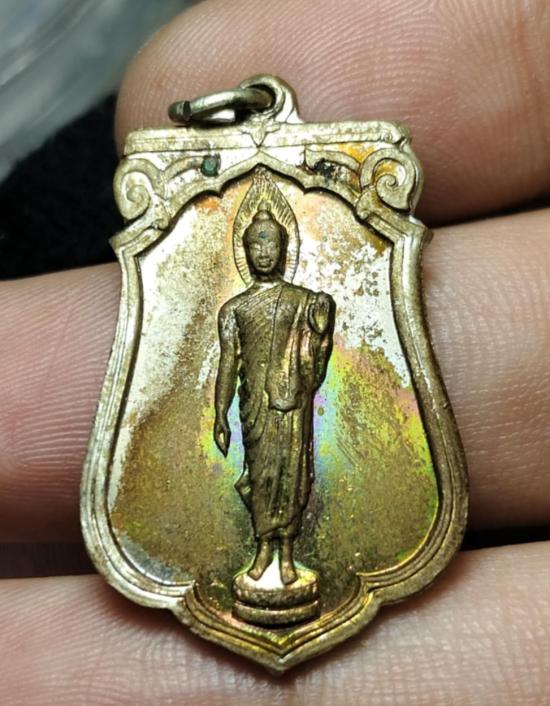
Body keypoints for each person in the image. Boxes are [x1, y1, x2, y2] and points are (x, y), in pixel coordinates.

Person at [214, 203, 334, 584]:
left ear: (283, 250)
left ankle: (287, 553)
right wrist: (220, 413)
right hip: (256, 408)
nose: (264, 253)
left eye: (271, 245)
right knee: (261, 476)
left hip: (290, 404)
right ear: (246, 251)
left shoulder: (302, 301)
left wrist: (320, 332)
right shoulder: (234, 310)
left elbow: (314, 355)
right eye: (256, 245)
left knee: (291, 475)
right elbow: (228, 363)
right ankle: (263, 546)